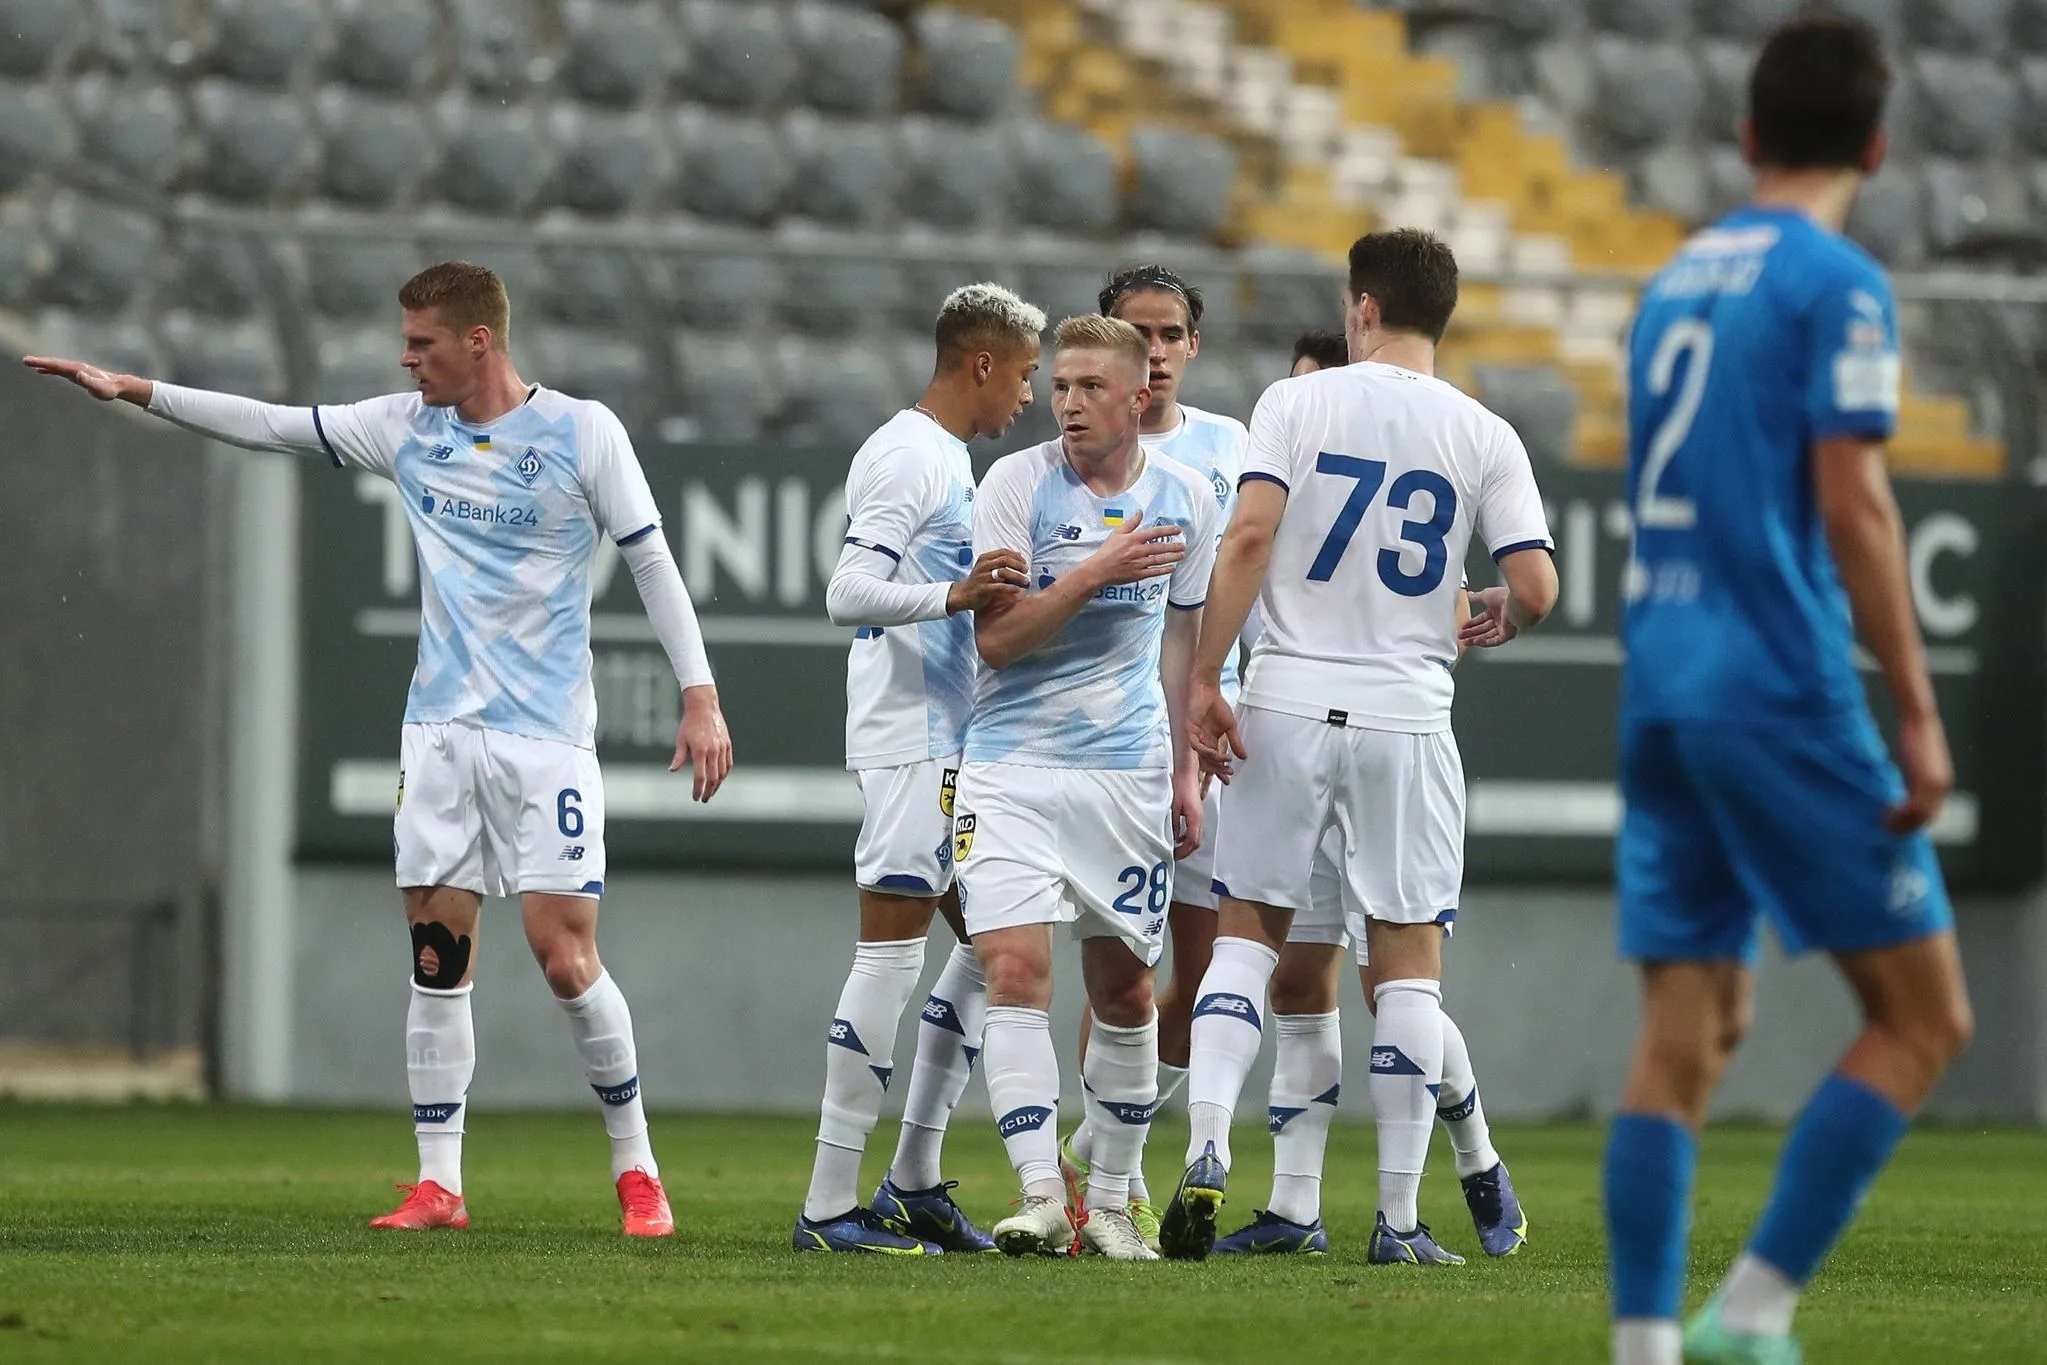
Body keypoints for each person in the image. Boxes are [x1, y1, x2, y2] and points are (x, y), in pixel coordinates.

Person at [26, 261, 733, 1237]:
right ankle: (438, 1183)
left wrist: (700, 697)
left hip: (547, 739)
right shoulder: (407, 431)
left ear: (477, 341)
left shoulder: (583, 433)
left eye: (421, 344)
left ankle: (637, 1168)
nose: (406, 362)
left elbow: (651, 558)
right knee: (438, 956)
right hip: (438, 735)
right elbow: (271, 422)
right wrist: (137, 388)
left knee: (565, 960)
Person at [1604, 17, 1973, 1364]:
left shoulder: (1669, 281)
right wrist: (1916, 715)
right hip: (1773, 683)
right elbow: (1851, 503)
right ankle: (1748, 1313)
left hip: (1659, 684)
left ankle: (1638, 1348)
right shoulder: (1838, 282)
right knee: (1922, 1014)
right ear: (1875, 147)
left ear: (1746, 135)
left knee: (1687, 1024)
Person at [1161, 229, 1558, 1264]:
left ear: (1363, 309)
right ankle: (1395, 1219)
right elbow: (1536, 586)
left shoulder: (1294, 404)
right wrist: (1494, 616)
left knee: (1244, 940)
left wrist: (1207, 680)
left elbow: (1247, 540)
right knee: (1407, 969)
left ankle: (1206, 1149)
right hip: (1407, 711)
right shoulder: (1483, 432)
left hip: (1288, 694)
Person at [954, 314, 1220, 1261]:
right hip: (1012, 766)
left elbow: (1182, 643)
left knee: (1127, 988)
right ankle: (1039, 1193)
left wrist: (1186, 769)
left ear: (1138, 394)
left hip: (1125, 771)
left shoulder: (1188, 496)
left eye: (1089, 388)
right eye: (1060, 385)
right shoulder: (1014, 486)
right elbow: (997, 637)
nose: (1067, 402)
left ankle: (1111, 1199)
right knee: (1015, 972)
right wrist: (1099, 568)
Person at [794, 283, 1045, 1255]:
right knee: (891, 958)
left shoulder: (945, 459)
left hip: (952, 738)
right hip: (911, 741)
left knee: (996, 946)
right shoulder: (907, 454)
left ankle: (914, 1177)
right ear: (980, 362)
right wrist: (953, 592)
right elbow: (846, 589)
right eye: (1023, 373)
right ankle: (826, 1204)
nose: (1025, 395)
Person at [1058, 265, 1245, 1249]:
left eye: (1173, 333)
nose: (1159, 349)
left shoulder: (1231, 449)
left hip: (1211, 735)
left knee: (1205, 967)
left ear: (1191, 347)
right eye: (1141, 332)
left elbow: (1262, 576)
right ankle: (1102, 1183)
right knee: (1116, 956)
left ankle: (1101, 1146)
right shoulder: (1069, 459)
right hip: (1109, 741)